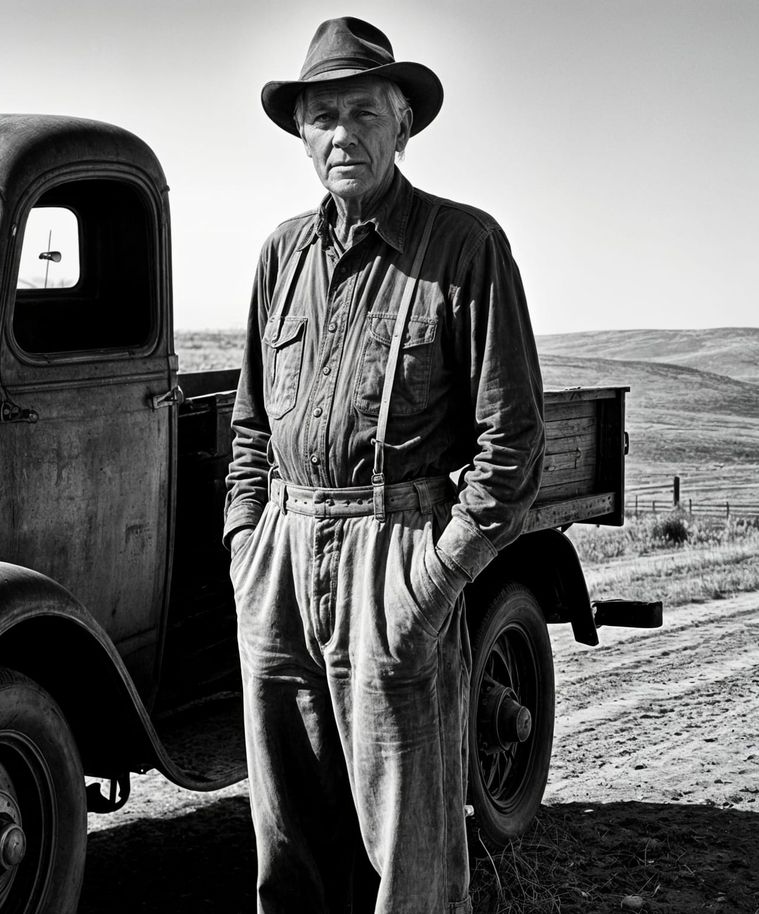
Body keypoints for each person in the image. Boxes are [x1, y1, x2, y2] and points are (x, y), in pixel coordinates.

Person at [223, 16, 546, 914]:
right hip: (283, 555)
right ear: (300, 134)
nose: (339, 135)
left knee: (412, 851)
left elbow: (512, 447)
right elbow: (250, 427)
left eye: (360, 112)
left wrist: (431, 584)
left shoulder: (464, 248)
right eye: (320, 117)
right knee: (288, 837)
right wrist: (248, 550)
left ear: (401, 124)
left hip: (394, 550)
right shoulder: (279, 256)